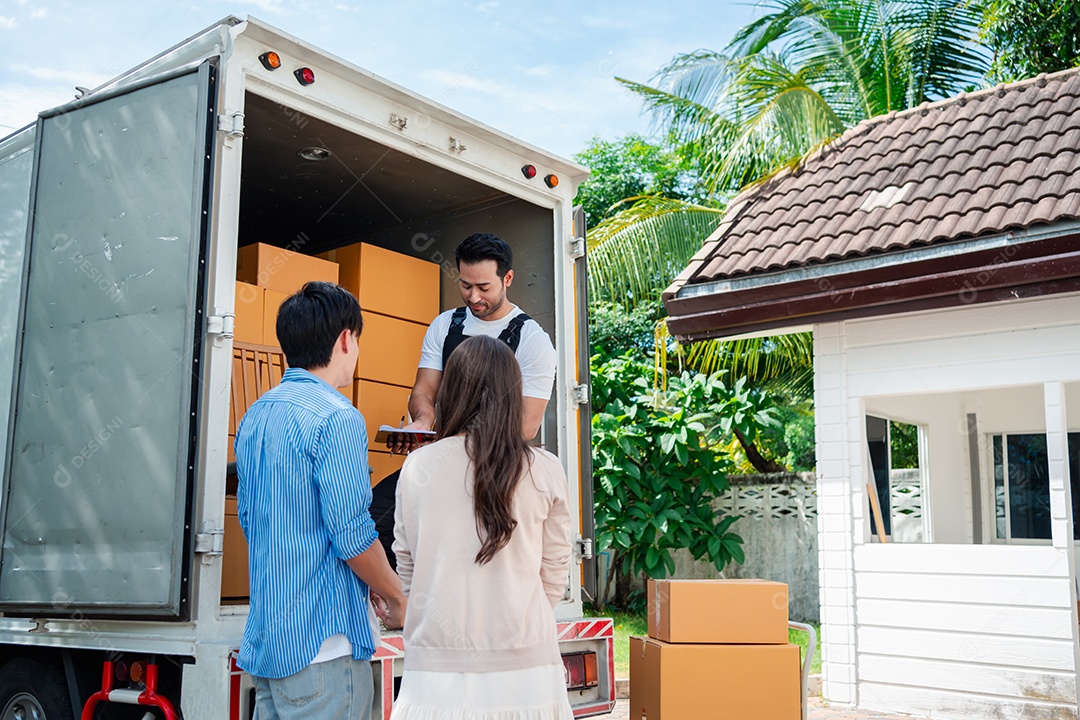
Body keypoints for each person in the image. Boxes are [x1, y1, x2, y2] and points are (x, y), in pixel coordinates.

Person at [234, 281, 406, 720]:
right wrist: (395, 594)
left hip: (272, 640)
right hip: (324, 646)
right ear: (346, 339)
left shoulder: (257, 415)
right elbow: (352, 536)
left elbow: (250, 517)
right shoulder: (338, 417)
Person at [390, 335, 573, 720]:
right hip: (528, 667)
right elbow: (556, 571)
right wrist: (520, 616)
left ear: (450, 393)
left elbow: (406, 564)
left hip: (434, 669)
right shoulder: (544, 467)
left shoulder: (419, 466)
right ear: (514, 394)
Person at [395, 232, 556, 448]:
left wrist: (460, 444)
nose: (473, 297)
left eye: (483, 287)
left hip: (493, 464)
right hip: (443, 454)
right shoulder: (445, 324)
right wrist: (423, 423)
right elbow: (424, 390)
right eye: (466, 285)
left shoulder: (533, 340)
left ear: (507, 278)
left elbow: (526, 427)